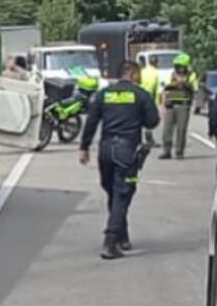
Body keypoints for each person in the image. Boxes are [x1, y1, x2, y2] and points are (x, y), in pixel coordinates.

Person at [78, 60, 160, 260]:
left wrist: (84, 147)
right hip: (126, 153)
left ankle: (123, 236)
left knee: (113, 193)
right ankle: (111, 241)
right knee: (123, 194)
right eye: (138, 74)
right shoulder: (141, 94)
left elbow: (91, 122)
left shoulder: (103, 94)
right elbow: (153, 121)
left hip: (105, 152)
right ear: (132, 73)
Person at [159, 53, 199, 159]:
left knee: (181, 129)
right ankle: (166, 151)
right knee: (167, 129)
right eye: (177, 66)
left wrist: (185, 83)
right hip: (171, 105)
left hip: (183, 105)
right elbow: (165, 89)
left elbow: (195, 89)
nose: (179, 69)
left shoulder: (191, 75)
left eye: (181, 66)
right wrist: (164, 103)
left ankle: (179, 151)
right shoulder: (171, 74)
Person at [140, 58, 160, 147]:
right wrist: (157, 101)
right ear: (155, 63)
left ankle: (138, 139)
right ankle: (149, 140)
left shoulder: (142, 71)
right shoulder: (155, 72)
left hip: (140, 96)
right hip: (149, 97)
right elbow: (156, 87)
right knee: (149, 119)